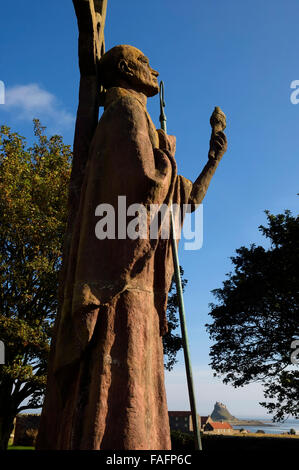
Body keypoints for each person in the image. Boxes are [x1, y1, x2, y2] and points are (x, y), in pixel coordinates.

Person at [36, 45, 227, 450]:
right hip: (120, 289)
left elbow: (183, 200)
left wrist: (212, 160)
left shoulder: (133, 117)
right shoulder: (124, 111)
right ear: (124, 69)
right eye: (143, 62)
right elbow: (148, 181)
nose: (153, 69)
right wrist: (167, 155)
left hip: (132, 287)